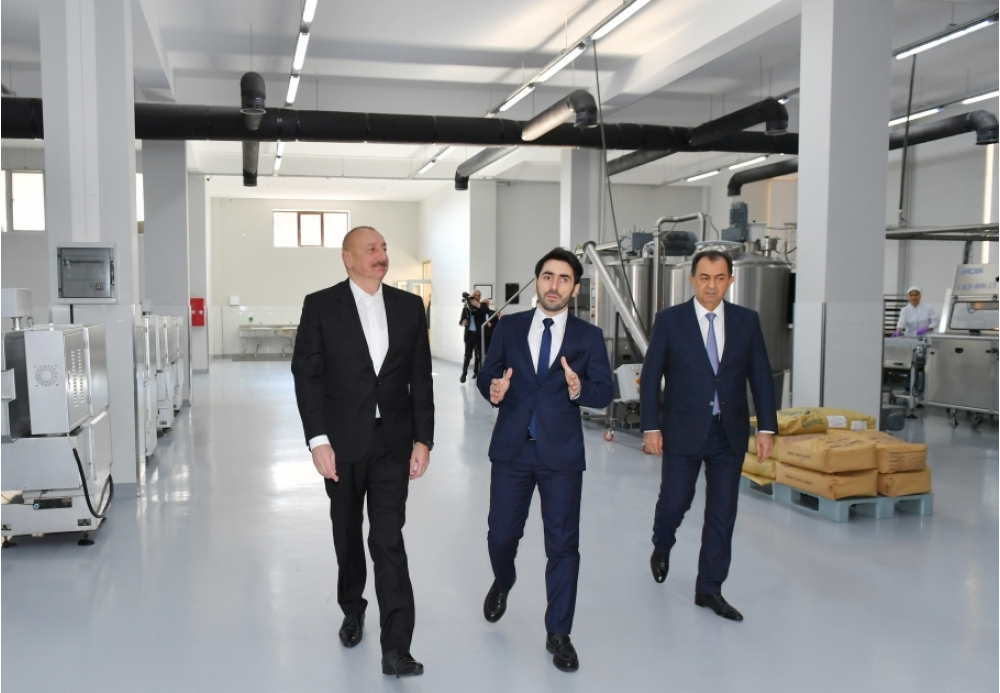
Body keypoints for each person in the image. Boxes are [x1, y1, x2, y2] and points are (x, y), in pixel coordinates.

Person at [291, 226, 434, 678]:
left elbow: (421, 378)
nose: (381, 255)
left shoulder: (409, 307)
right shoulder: (321, 305)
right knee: (348, 532)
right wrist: (318, 440)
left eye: (384, 248)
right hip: (342, 442)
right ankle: (352, 608)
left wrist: (424, 439)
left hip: (392, 441)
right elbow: (307, 375)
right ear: (348, 258)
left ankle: (397, 648)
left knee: (388, 539)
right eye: (371, 248)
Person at [476, 248, 613, 673]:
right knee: (501, 535)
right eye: (548, 276)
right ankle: (504, 580)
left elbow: (604, 391)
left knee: (563, 546)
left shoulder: (588, 337)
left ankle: (559, 632)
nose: (554, 285)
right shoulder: (510, 327)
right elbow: (488, 373)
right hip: (513, 450)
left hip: (561, 455)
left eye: (564, 278)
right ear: (537, 281)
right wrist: (493, 389)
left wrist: (578, 389)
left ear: (575, 288)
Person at [640, 249, 777, 623]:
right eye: (704, 277)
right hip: (683, 429)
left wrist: (766, 428)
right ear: (692, 280)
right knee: (674, 501)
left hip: (728, 432)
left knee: (722, 513)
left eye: (719, 278)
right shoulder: (671, 321)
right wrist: (651, 427)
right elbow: (651, 377)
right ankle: (662, 543)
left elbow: (761, 377)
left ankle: (710, 588)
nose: (711, 286)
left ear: (730, 280)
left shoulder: (747, 321)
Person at [459, 290, 493, 383]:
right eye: (475, 295)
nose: (477, 297)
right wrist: (463, 322)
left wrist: (477, 305)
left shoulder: (482, 306)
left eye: (478, 295)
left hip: (479, 335)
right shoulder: (466, 308)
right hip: (469, 336)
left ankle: (481, 375)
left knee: (481, 356)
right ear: (471, 296)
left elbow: (487, 311)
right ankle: (464, 374)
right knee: (467, 356)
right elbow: (460, 321)